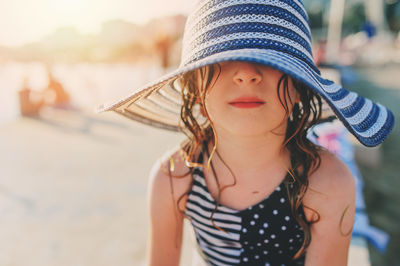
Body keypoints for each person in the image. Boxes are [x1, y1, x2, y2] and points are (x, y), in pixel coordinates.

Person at [97, 0, 395, 265]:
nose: (246, 73)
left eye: (269, 60)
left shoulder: (326, 183)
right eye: (221, 60)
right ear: (196, 88)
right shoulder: (174, 178)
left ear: (299, 86)